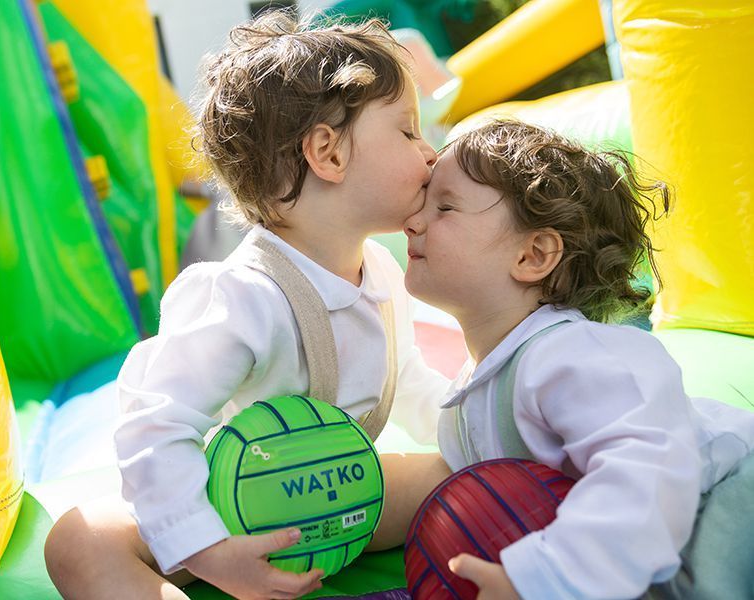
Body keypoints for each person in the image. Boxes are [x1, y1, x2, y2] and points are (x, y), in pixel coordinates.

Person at [44, 11, 453, 600]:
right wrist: (210, 551)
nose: (431, 152)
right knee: (81, 541)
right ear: (328, 154)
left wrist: (478, 432)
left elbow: (408, 381)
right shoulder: (241, 295)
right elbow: (158, 422)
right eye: (410, 132)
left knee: (452, 473)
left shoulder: (381, 274)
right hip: (230, 512)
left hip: (341, 497)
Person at [403, 119, 754, 599]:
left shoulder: (570, 354)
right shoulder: (473, 393)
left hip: (727, 506)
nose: (413, 221)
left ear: (533, 255)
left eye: (444, 206)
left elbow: (648, 471)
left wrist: (546, 578)